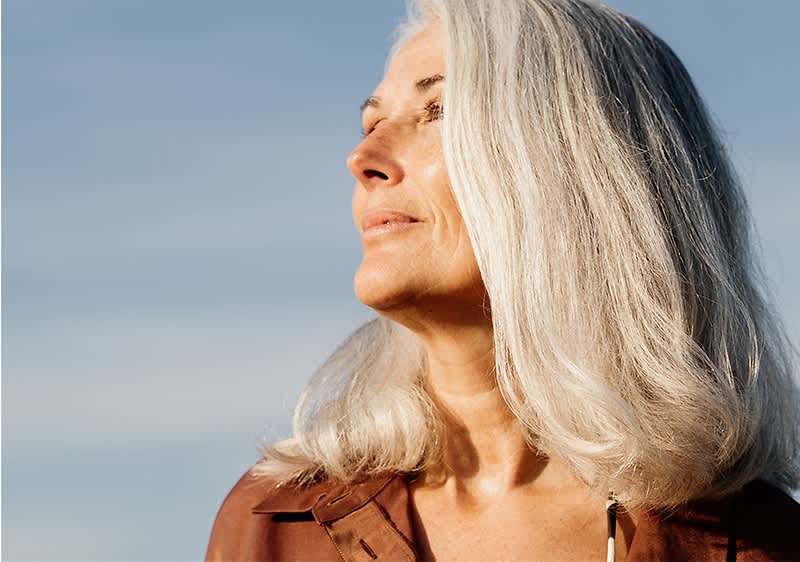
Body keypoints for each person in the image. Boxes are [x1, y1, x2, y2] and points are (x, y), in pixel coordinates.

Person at [206, 0, 800, 560]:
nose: (364, 155)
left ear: (586, 165)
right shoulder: (273, 528)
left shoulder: (760, 545)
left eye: (438, 112)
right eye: (372, 120)